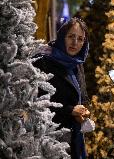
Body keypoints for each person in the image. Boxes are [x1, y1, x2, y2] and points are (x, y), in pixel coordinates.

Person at [33, 17, 90, 159]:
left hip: (73, 138)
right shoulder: (44, 61)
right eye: (71, 36)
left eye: (80, 39)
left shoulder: (76, 64)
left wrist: (83, 112)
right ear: (62, 36)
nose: (75, 43)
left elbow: (81, 96)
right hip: (49, 139)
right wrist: (70, 111)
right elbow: (37, 104)